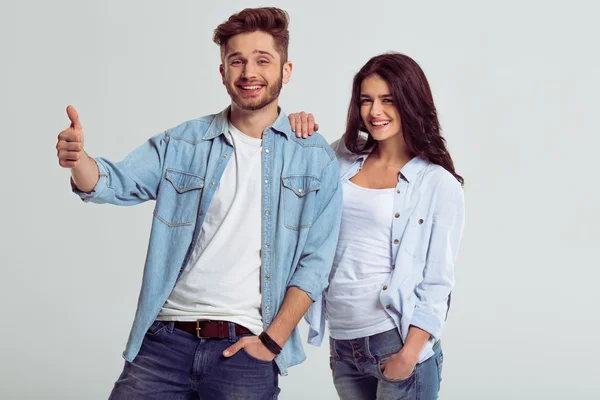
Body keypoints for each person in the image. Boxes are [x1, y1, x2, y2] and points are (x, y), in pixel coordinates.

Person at [55, 7, 342, 399]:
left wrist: (271, 344)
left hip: (246, 349)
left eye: (262, 60)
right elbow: (114, 183)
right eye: (236, 61)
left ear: (285, 70)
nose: (248, 73)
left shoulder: (314, 158)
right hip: (164, 342)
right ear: (222, 71)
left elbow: (315, 266)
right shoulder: (184, 143)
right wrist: (79, 160)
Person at [289, 52, 465, 400]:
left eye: (388, 100)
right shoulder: (341, 157)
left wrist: (409, 355)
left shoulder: (437, 183)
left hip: (395, 342)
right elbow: (291, 187)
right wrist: (294, 129)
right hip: (343, 344)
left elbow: (437, 283)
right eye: (366, 100)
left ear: (410, 103)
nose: (374, 112)